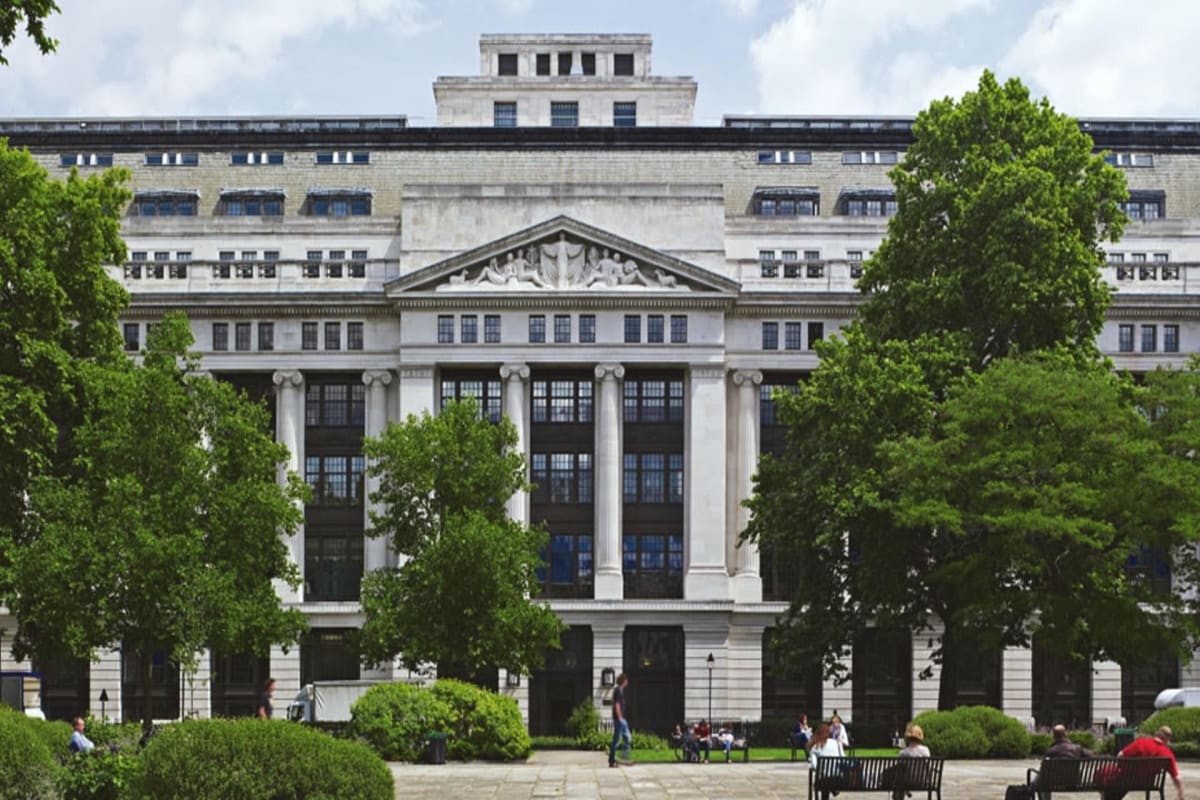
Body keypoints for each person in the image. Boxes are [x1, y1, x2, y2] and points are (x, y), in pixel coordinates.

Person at [1104, 726, 1183, 800]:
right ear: (1167, 740)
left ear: (1156, 734)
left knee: (1106, 776)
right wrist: (1180, 794)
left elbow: (1120, 755)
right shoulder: (1167, 753)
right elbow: (1176, 777)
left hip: (1128, 780)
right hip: (1147, 783)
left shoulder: (1141, 742)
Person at [888, 724, 931, 800]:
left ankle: (899, 797)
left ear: (907, 737)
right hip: (923, 781)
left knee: (899, 779)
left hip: (907, 782)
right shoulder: (925, 750)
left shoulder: (903, 753)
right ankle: (905, 792)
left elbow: (900, 768)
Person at [608, 672, 632, 768]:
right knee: (617, 740)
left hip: (621, 719)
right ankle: (612, 761)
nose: (627, 682)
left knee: (627, 738)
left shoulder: (620, 690)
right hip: (619, 719)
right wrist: (620, 717)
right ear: (623, 681)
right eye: (626, 680)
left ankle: (624, 759)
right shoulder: (618, 690)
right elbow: (617, 705)